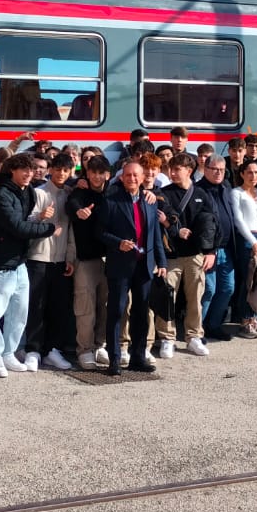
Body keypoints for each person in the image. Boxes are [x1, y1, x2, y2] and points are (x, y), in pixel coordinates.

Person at [0, 154, 57, 377]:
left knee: (19, 311)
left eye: (31, 170)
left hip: (19, 261)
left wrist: (39, 218)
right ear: (12, 170)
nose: (29, 174)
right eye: (24, 169)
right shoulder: (0, 193)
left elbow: (23, 222)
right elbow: (16, 226)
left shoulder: (27, 192)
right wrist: (48, 228)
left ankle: (8, 353)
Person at [100, 158, 166, 375]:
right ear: (122, 177)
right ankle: (115, 360)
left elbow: (155, 234)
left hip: (144, 266)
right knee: (117, 311)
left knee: (141, 312)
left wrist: (161, 262)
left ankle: (138, 357)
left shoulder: (150, 200)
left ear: (142, 177)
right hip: (120, 265)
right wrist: (118, 243)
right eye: (128, 175)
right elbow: (99, 232)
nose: (132, 178)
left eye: (136, 175)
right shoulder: (110, 199)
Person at [153, 151, 215, 357]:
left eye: (177, 169)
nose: (172, 173)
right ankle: (166, 338)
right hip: (170, 255)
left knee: (195, 298)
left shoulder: (201, 194)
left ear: (189, 170)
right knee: (166, 297)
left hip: (195, 254)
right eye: (170, 169)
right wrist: (174, 228)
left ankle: (194, 336)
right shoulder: (164, 193)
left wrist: (211, 251)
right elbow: (162, 220)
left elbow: (211, 224)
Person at [25, 153, 77, 370]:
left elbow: (73, 230)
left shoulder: (70, 194)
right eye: (58, 169)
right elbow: (26, 222)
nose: (62, 173)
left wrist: (70, 257)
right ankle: (33, 350)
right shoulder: (38, 193)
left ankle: (52, 349)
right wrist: (41, 217)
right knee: (36, 306)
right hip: (38, 257)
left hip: (61, 259)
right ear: (51, 170)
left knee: (58, 307)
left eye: (66, 170)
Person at [67, 155, 113, 369]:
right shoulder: (80, 191)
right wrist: (79, 211)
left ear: (108, 174)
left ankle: (100, 345)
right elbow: (71, 204)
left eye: (100, 172)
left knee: (105, 305)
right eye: (92, 172)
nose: (96, 176)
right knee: (85, 308)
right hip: (85, 260)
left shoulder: (113, 193)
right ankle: (84, 350)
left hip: (111, 257)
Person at [194, 154, 238, 342]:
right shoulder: (198, 190)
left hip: (227, 249)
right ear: (205, 169)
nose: (219, 173)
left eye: (222, 170)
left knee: (227, 288)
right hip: (207, 250)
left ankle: (214, 325)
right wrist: (208, 249)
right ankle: (197, 330)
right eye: (215, 169)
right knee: (208, 290)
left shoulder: (226, 188)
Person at [230, 159, 257, 338]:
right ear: (242, 174)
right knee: (249, 282)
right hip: (247, 239)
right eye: (249, 172)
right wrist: (253, 242)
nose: (253, 176)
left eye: (256, 172)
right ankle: (246, 320)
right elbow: (238, 220)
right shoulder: (236, 193)